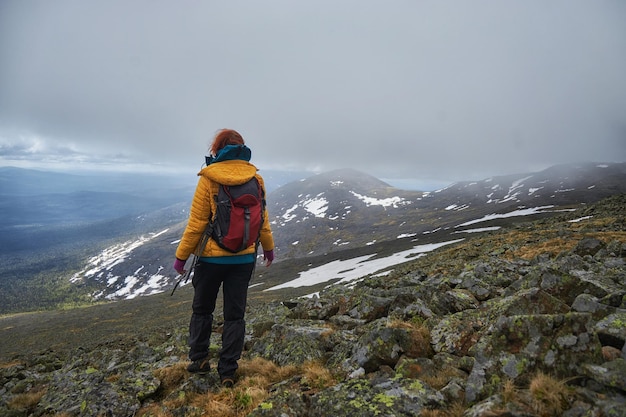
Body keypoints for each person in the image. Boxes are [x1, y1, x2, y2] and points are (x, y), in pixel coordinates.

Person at [173, 128, 274, 388]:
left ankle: (199, 359)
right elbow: (262, 220)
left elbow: (196, 224)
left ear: (217, 150)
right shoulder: (256, 179)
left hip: (211, 260)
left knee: (202, 309)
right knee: (234, 316)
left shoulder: (209, 178)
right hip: (243, 260)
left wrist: (181, 257)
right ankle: (228, 371)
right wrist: (268, 248)